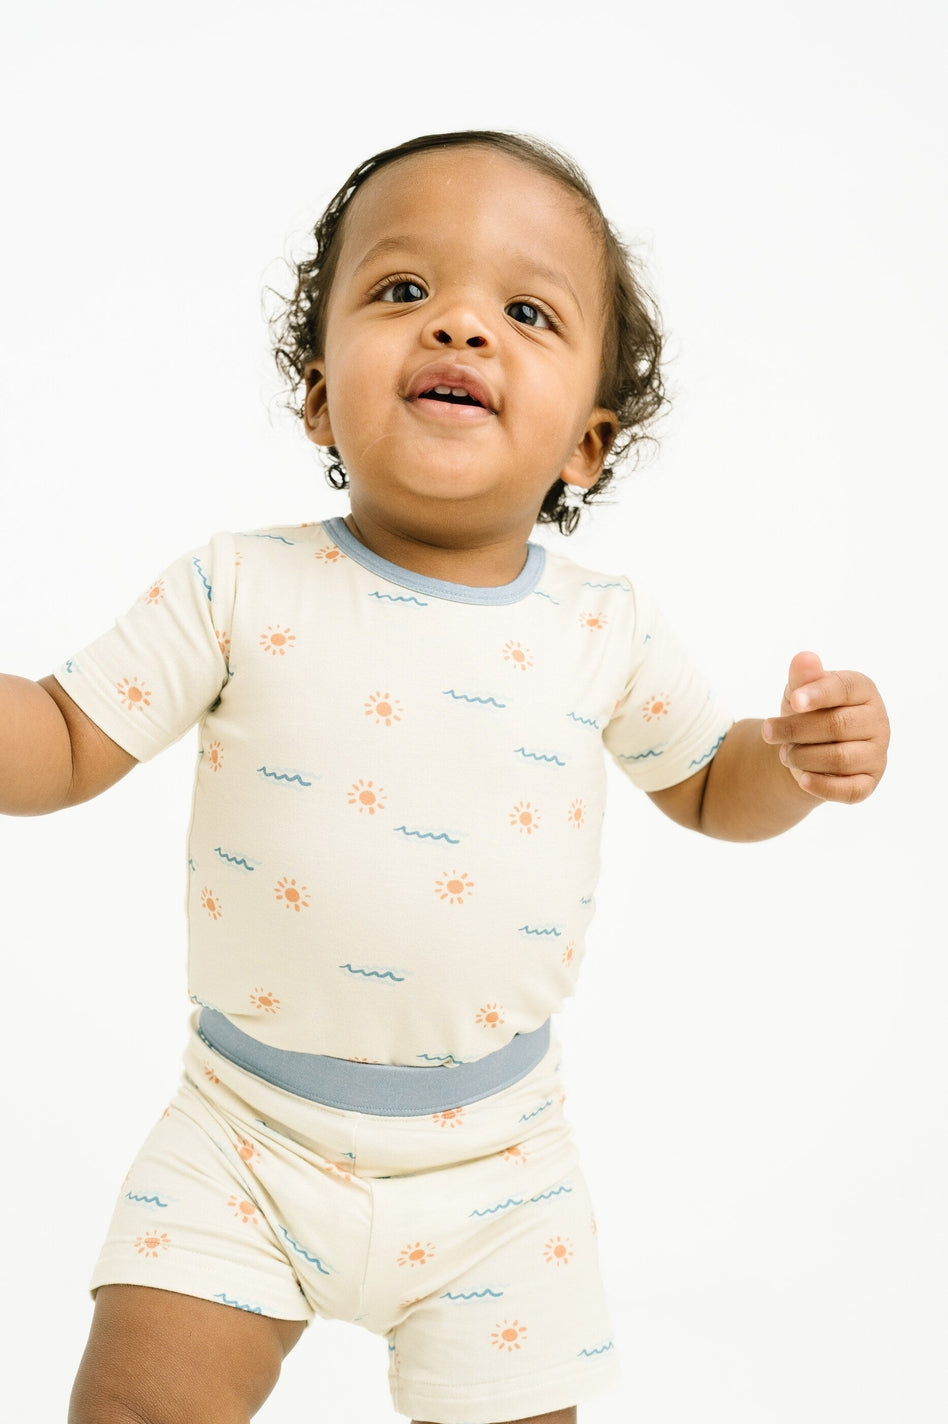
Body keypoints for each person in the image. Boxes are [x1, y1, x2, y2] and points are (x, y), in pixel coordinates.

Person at [0, 130, 889, 1424]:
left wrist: (792, 761)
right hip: (241, 1137)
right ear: (320, 398)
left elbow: (710, 786)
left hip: (500, 1173)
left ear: (586, 444)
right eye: (404, 290)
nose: (461, 326)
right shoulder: (238, 587)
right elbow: (61, 740)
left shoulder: (604, 627)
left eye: (526, 312)